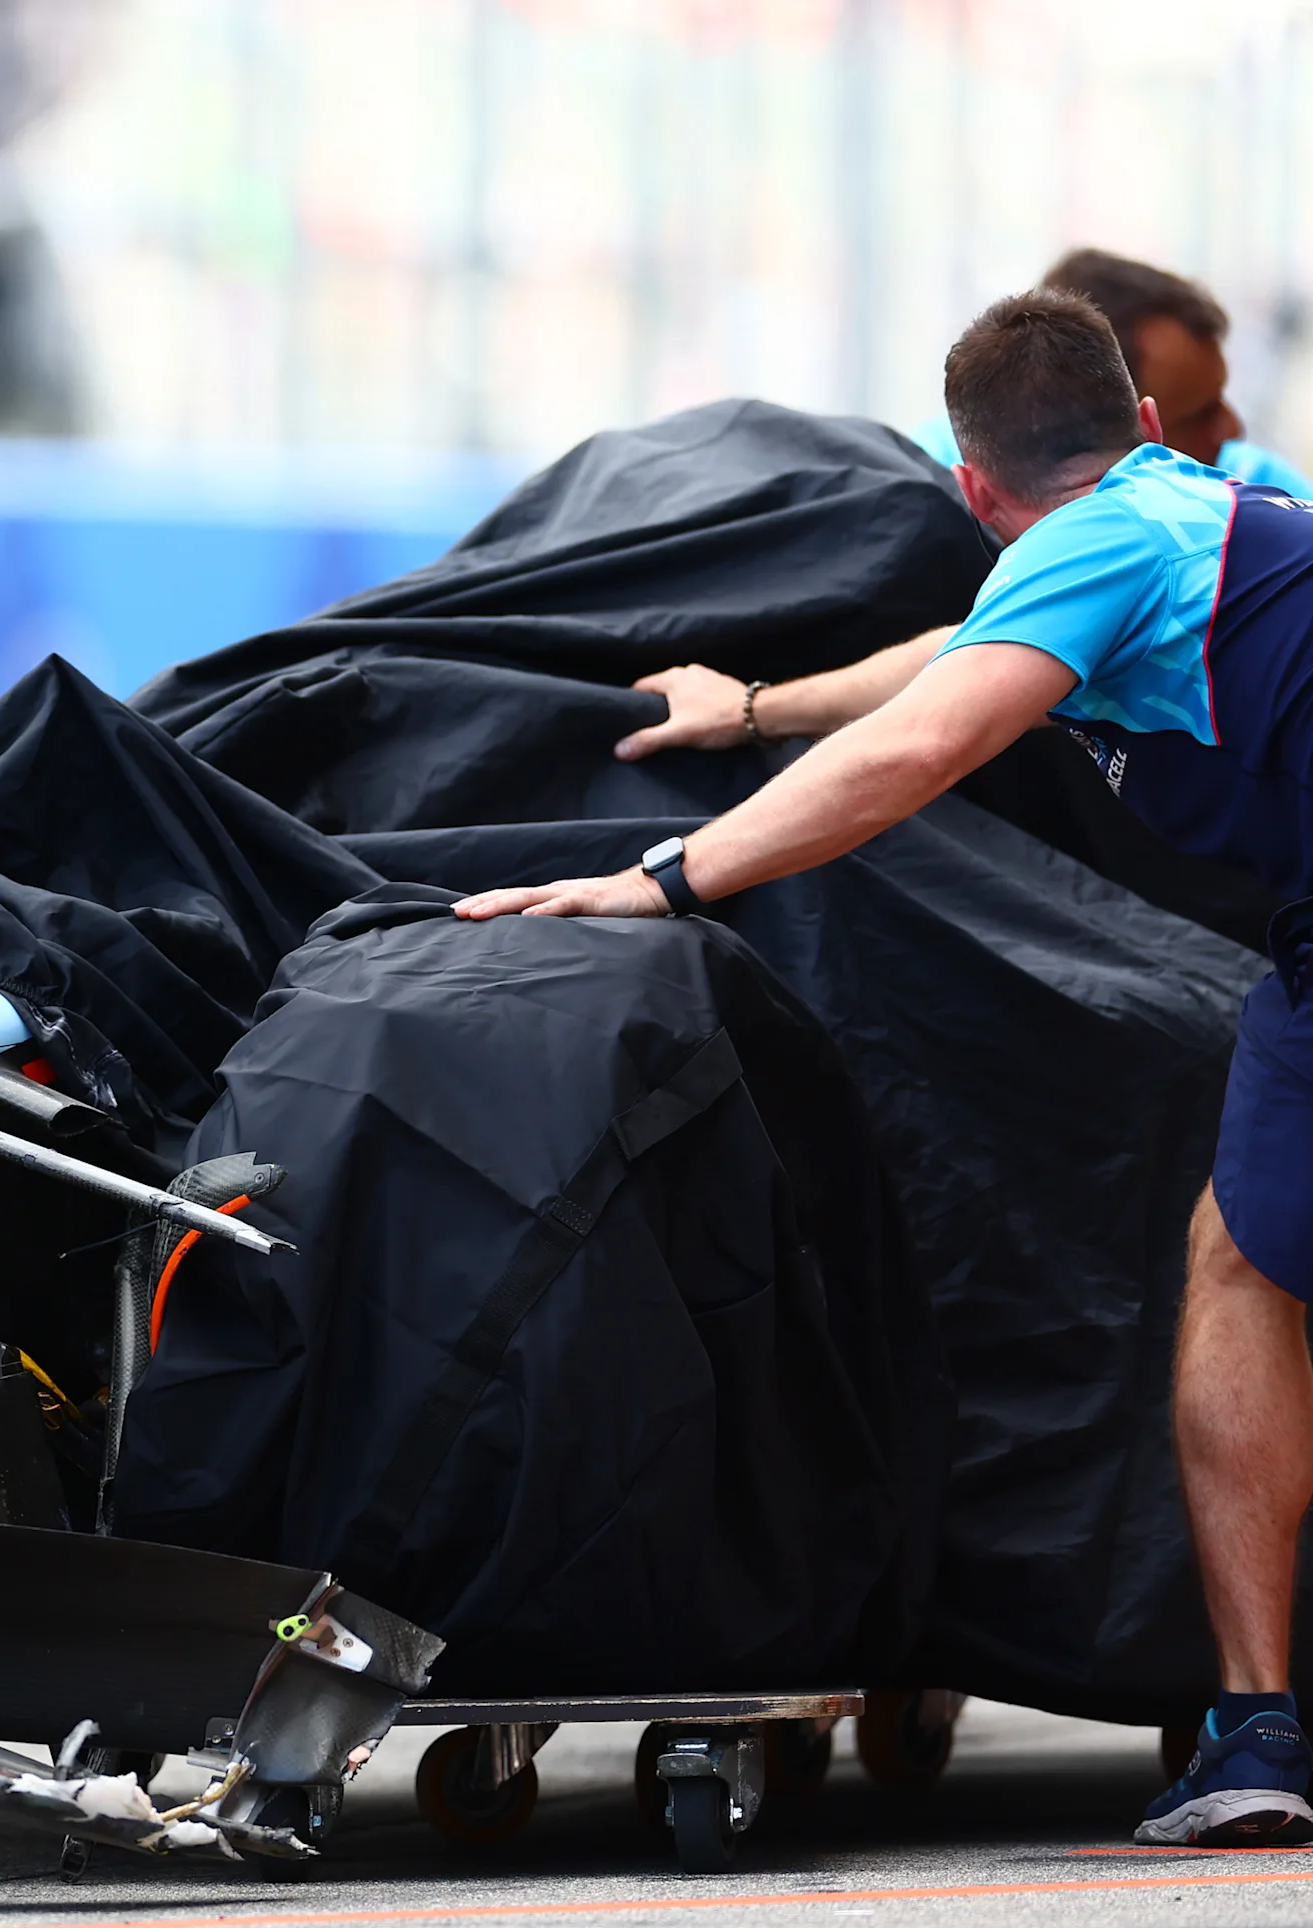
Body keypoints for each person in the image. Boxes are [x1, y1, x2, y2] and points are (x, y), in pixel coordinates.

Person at [454, 288, 1313, 1849]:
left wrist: (663, 880)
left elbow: (920, 751)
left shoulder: (1100, 545)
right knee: (1244, 1249)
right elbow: (960, 655)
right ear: (1136, 425)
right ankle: (1256, 1719)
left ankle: (1257, 1731)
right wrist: (763, 705)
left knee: (1241, 1272)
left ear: (973, 495)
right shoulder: (1204, 511)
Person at [913, 248, 1309, 495]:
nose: (1232, 429)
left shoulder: (1256, 481)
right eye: (1199, 415)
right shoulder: (929, 496)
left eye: (1221, 398)